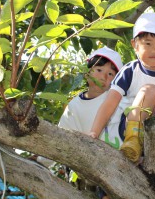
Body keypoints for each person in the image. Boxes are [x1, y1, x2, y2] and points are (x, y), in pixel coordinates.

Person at [89, 13, 155, 164]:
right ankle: (133, 140)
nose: (154, 50)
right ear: (134, 45)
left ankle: (143, 151)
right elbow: (110, 102)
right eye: (148, 44)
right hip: (126, 129)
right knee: (150, 90)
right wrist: (94, 132)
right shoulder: (130, 70)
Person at [58, 46, 123, 198]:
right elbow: (62, 132)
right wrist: (41, 160)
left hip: (117, 162)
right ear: (87, 73)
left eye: (111, 74)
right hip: (91, 166)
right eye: (99, 70)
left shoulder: (116, 101)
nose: (104, 77)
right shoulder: (75, 104)